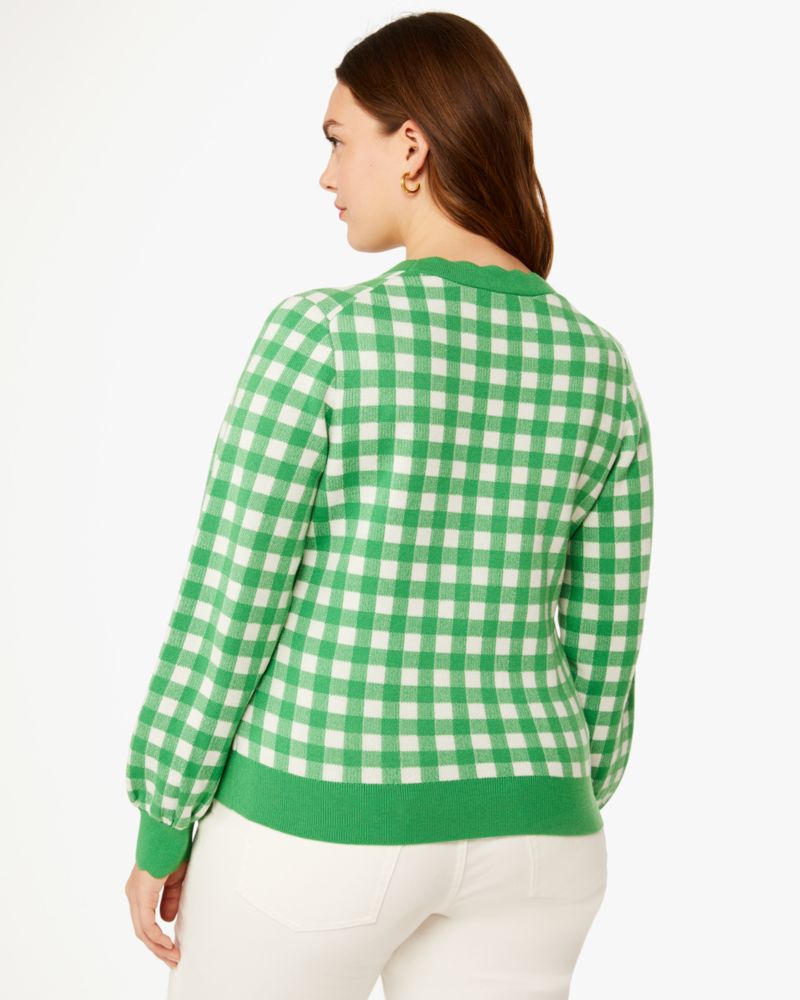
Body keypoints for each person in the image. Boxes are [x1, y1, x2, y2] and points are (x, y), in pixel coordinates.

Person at [124, 11, 654, 1000]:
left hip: (319, 823)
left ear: (410, 146)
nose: (325, 175)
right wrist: (552, 787)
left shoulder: (324, 335)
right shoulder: (598, 363)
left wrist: (166, 813)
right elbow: (606, 643)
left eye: (337, 140)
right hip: (540, 842)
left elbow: (230, 603)